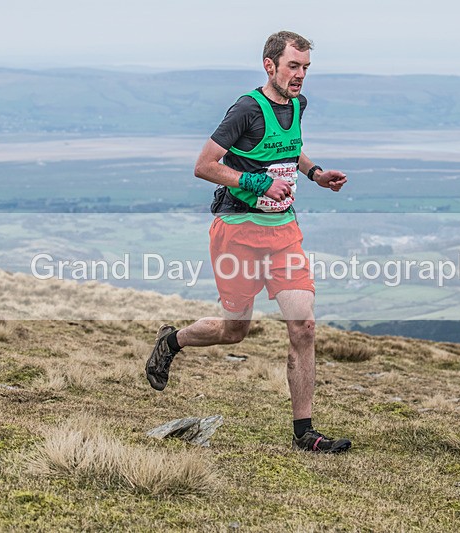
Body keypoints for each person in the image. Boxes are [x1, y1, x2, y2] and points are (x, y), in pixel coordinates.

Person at [146, 30, 351, 453]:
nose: (300, 76)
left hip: (283, 234)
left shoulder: (297, 104)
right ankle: (172, 341)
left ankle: (304, 433)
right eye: (293, 66)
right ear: (269, 65)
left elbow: (290, 150)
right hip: (237, 232)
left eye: (306, 68)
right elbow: (204, 166)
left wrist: (316, 174)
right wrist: (258, 183)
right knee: (234, 330)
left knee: (305, 326)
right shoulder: (245, 109)